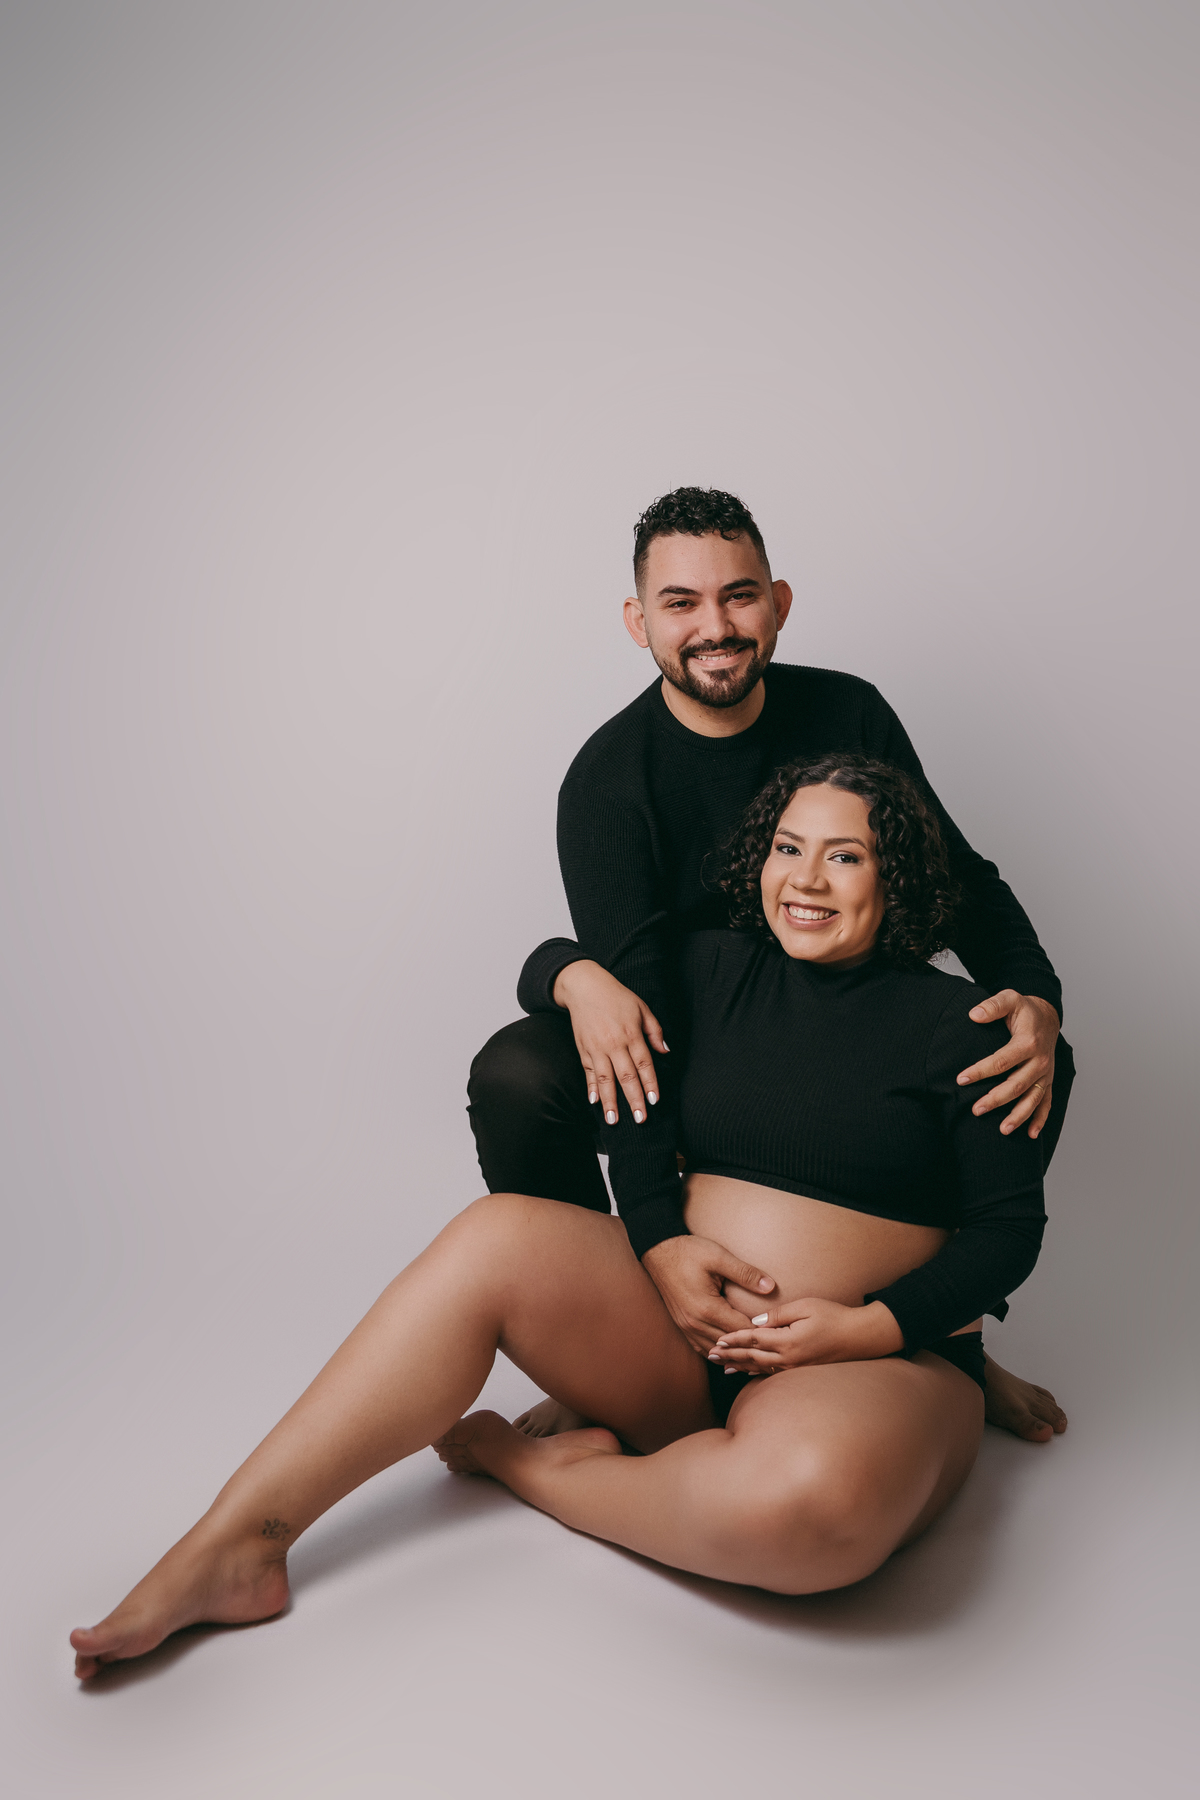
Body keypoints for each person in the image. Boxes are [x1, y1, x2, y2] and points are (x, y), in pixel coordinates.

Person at [72, 758, 1058, 1680]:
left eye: (844, 856)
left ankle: (534, 1471)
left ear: (900, 877)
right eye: (787, 847)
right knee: (491, 1238)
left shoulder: (971, 1028)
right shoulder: (713, 970)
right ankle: (239, 1544)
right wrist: (580, 982)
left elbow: (1007, 1235)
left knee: (812, 1509)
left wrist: (865, 1327)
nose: (805, 879)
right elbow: (549, 961)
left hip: (873, 1367)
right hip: (682, 1340)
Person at [469, 488, 1072, 1443]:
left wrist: (1037, 1000)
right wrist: (658, 1233)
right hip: (699, 1030)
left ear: (779, 602)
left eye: (739, 595)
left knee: (1026, 1055)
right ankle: (599, 1334)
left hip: (850, 1012)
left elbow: (959, 880)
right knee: (517, 1071)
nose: (714, 627)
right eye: (681, 603)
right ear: (638, 621)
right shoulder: (609, 781)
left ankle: (948, 1334)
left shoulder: (847, 710)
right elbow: (638, 1014)